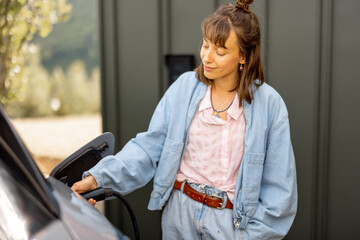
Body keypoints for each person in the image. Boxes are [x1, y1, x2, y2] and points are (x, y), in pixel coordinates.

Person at [71, 0, 297, 239]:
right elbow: (148, 149)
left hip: (231, 224)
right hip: (178, 216)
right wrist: (98, 178)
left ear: (243, 56)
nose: (207, 57)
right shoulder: (184, 88)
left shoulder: (270, 105)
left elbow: (279, 193)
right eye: (206, 44)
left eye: (220, 51)